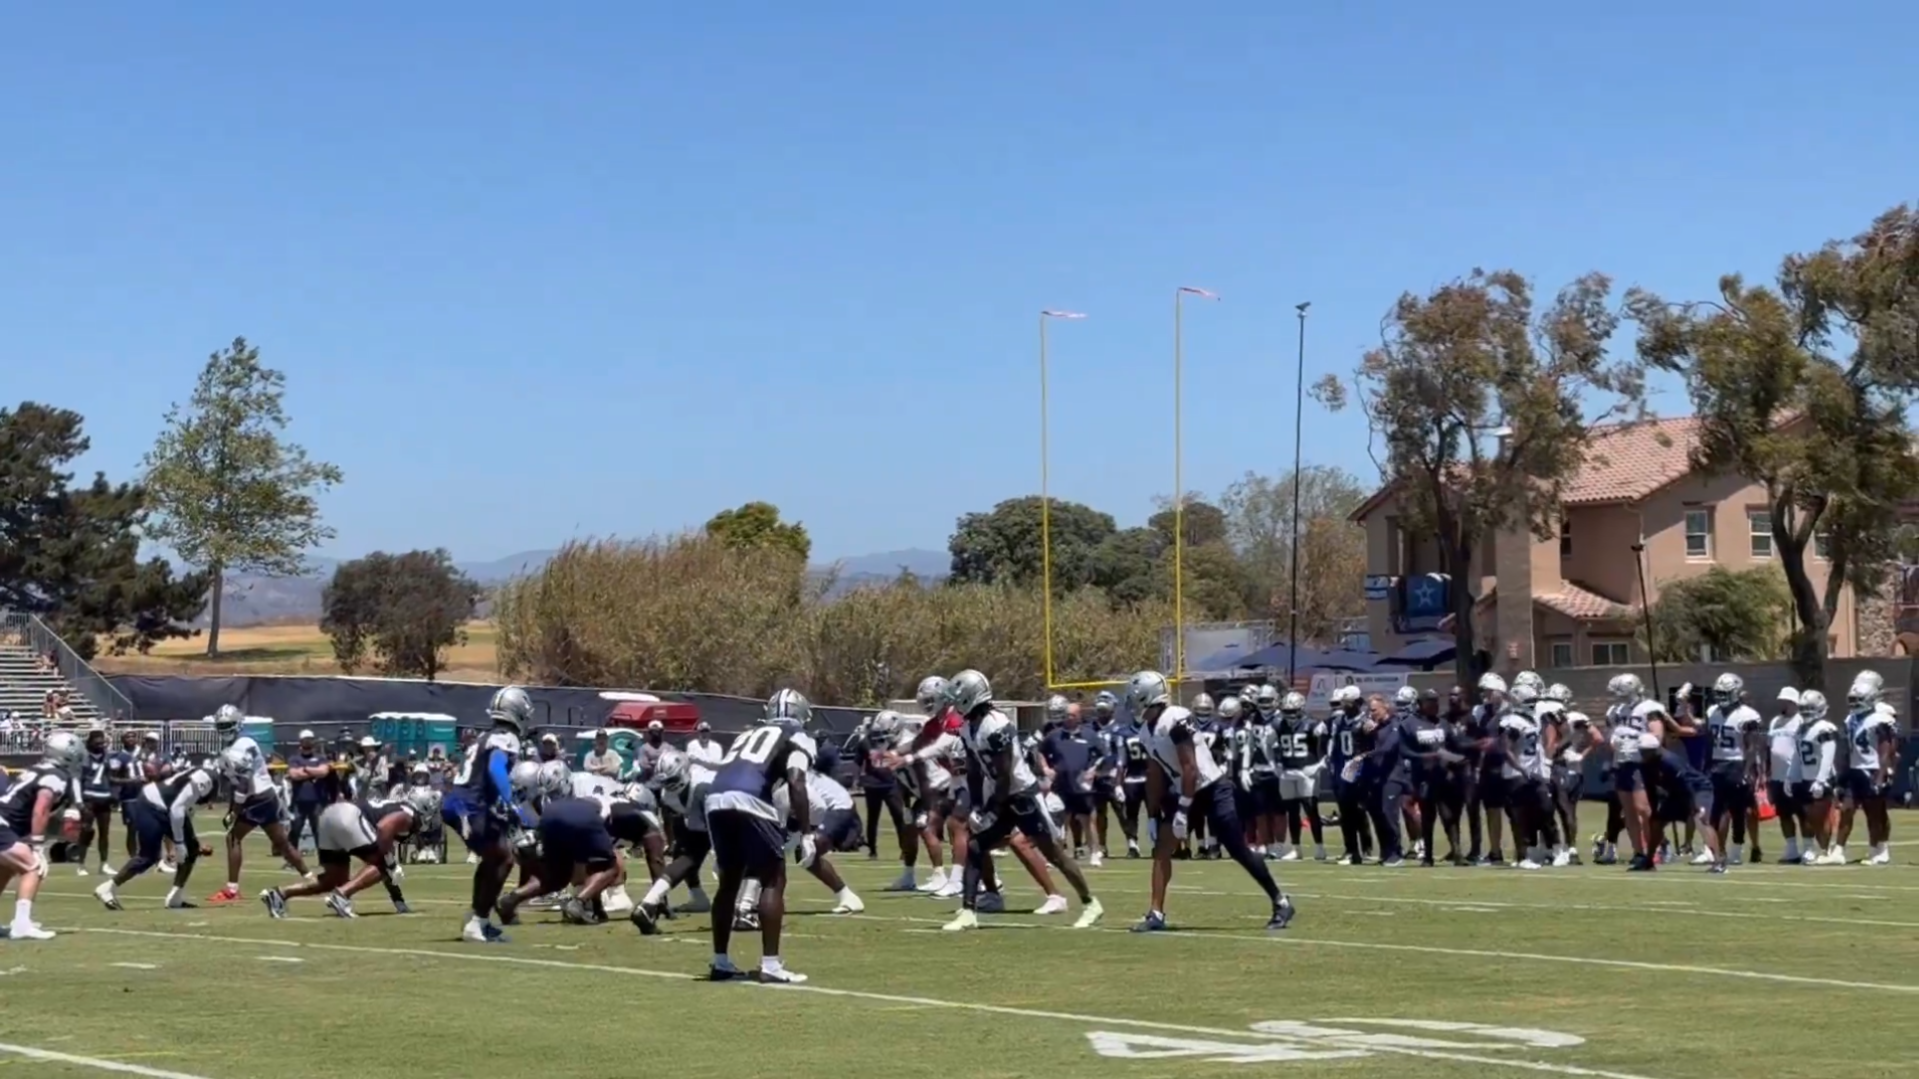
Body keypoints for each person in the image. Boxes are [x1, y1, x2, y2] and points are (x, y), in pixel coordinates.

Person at [1124, 670, 1292, 933]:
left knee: (1239, 850)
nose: (1131, 704)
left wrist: (1182, 810)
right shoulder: (1147, 731)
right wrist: (1154, 814)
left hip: (1212, 789)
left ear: (1150, 696)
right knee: (1162, 850)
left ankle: (1280, 901)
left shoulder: (1175, 718)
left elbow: (1190, 767)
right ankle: (1156, 914)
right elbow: (1155, 772)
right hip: (1185, 792)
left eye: (1135, 697)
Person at [941, 669, 1102, 933]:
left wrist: (991, 810)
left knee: (1054, 854)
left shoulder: (996, 725)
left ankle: (1090, 903)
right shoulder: (969, 727)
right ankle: (969, 911)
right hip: (1002, 795)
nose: (955, 705)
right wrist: (976, 806)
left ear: (971, 697)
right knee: (975, 846)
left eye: (959, 698)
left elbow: (1005, 775)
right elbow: (973, 769)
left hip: (1022, 795)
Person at [702, 688, 818, 984]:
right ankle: (770, 964)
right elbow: (796, 781)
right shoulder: (798, 737)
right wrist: (806, 833)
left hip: (715, 799)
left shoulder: (747, 734)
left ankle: (720, 960)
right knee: (773, 878)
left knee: (729, 881)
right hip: (751, 797)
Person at [441, 686, 537, 943]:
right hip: (470, 805)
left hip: (459, 802)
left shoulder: (487, 735)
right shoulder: (507, 737)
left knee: (493, 857)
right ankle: (478, 920)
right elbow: (496, 768)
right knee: (505, 857)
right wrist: (511, 804)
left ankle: (476, 918)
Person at [208, 705, 310, 905]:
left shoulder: (241, 745)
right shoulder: (236, 746)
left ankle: (232, 890)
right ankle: (309, 877)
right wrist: (232, 808)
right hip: (266, 796)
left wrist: (234, 812)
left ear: (237, 724)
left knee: (233, 838)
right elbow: (236, 783)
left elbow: (244, 784)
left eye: (228, 725)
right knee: (282, 844)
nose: (225, 729)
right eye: (222, 725)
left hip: (257, 798)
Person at [94, 762, 217, 912]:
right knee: (148, 856)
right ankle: (107, 888)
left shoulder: (200, 775)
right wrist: (178, 843)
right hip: (151, 805)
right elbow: (177, 809)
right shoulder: (205, 782)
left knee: (191, 849)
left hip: (160, 803)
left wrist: (190, 843)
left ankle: (175, 898)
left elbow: (184, 814)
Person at [0, 730, 86, 940]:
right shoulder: (56, 775)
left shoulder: (37, 768)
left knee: (6, 870)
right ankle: (21, 924)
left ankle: (22, 921)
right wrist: (37, 846)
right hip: (3, 825)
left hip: (5, 823)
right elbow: (41, 808)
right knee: (33, 867)